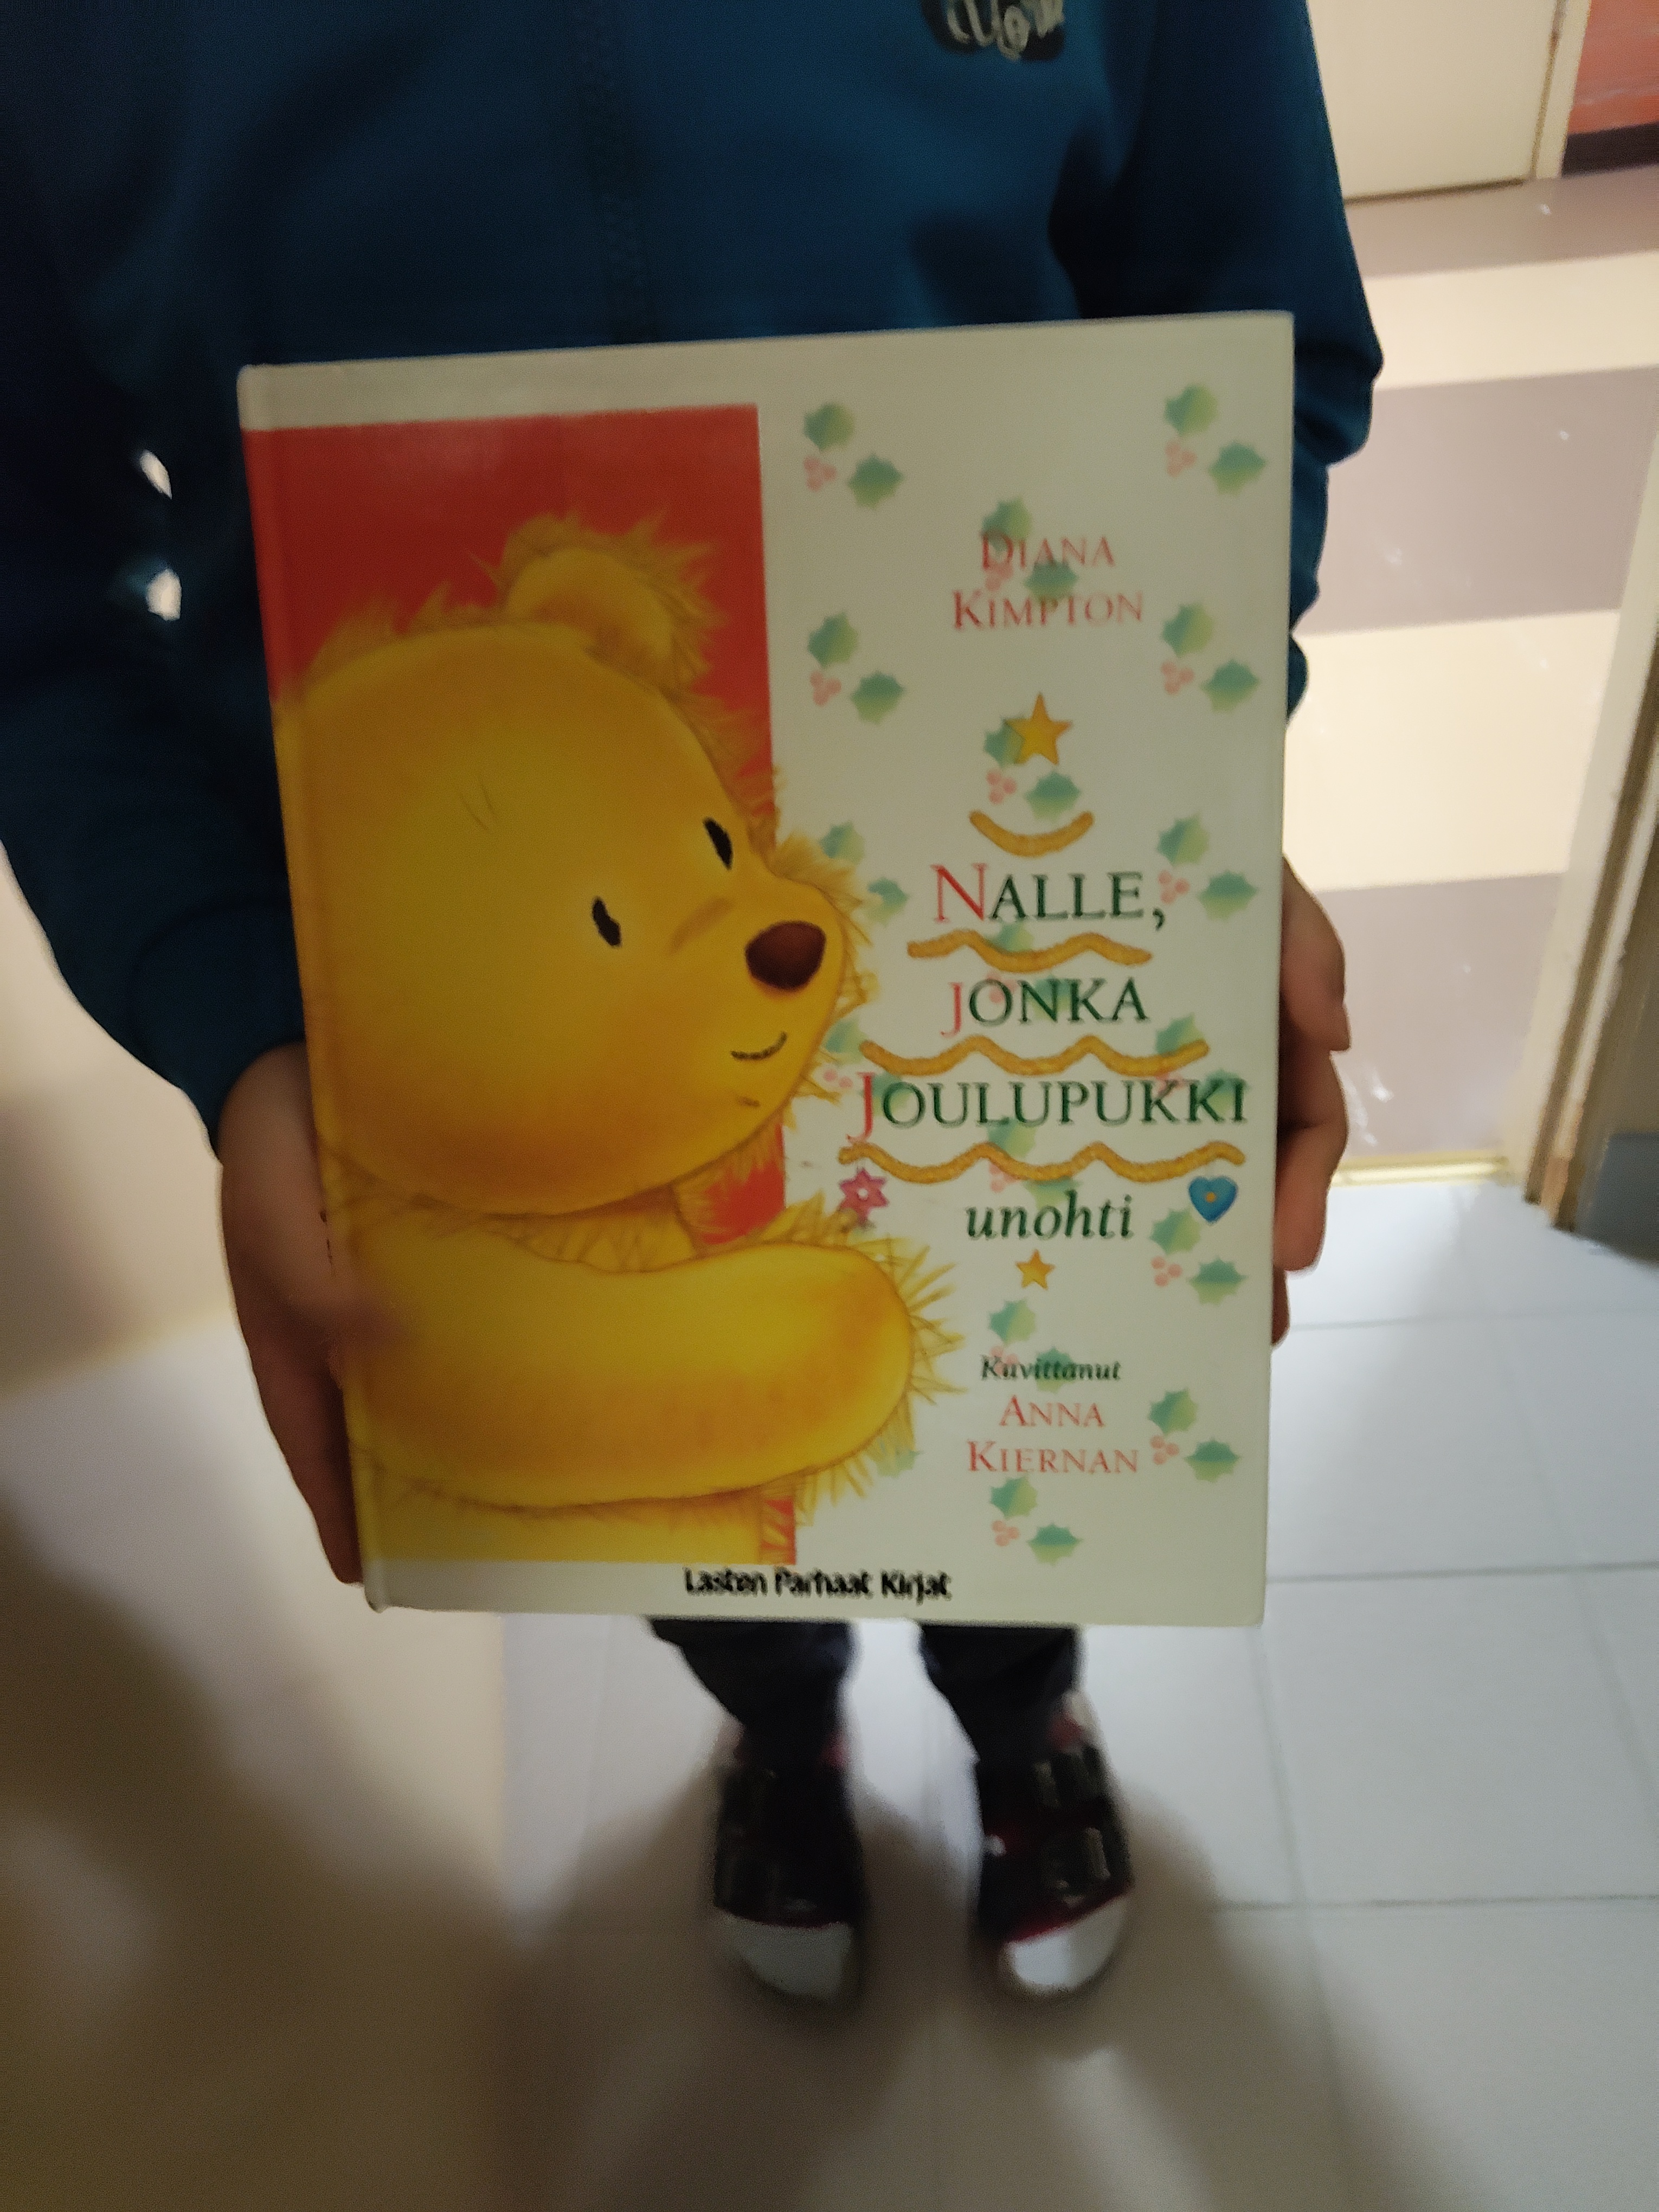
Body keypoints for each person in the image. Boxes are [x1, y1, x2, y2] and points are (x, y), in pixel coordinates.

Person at [1, 0, 1375, 2006]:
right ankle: (777, 1720)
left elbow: (1255, 338)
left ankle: (1022, 1719)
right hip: (451, 1019)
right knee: (662, 1482)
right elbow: (26, 586)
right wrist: (226, 1008)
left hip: (981, 864)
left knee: (1011, 1428)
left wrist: (1189, 793)